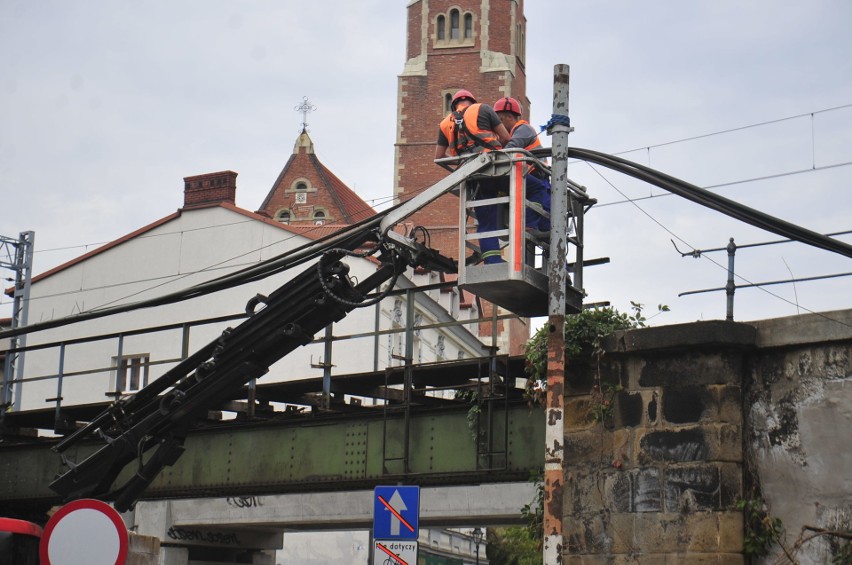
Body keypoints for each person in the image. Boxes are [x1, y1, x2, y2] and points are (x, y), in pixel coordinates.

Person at [435, 90, 511, 264]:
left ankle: (492, 262)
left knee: (486, 223)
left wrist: (461, 163)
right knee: (533, 188)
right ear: (472, 102)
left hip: (472, 176)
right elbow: (506, 138)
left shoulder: (445, 124)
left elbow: (439, 156)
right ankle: (537, 225)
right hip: (495, 169)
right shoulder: (483, 109)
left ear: (454, 105)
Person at [493, 96, 552, 234]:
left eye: (500, 121)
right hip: (530, 176)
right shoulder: (511, 133)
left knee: (546, 215)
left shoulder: (523, 129)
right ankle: (531, 227)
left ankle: (531, 226)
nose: (498, 126)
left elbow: (510, 149)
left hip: (537, 176)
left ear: (509, 117)